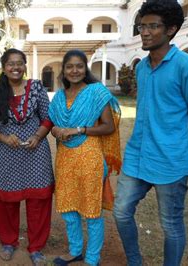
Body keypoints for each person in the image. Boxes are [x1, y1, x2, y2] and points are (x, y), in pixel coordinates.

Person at [113, 1, 188, 266]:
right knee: (121, 212)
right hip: (137, 156)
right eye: (141, 26)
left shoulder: (187, 67)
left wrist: (174, 141)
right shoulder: (141, 67)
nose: (144, 32)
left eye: (152, 26)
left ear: (170, 29)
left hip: (170, 162)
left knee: (170, 224)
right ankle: (135, 262)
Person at [0, 48, 54, 266]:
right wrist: (3, 138)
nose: (15, 67)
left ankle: (36, 247)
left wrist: (37, 136)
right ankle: (8, 242)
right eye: (11, 64)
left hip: (36, 151)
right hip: (8, 153)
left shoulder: (37, 87)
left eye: (19, 63)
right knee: (7, 201)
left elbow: (48, 117)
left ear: (24, 66)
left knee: (39, 201)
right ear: (4, 68)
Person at [48, 49, 121, 266]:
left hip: (90, 157)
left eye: (79, 66)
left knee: (91, 209)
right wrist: (56, 131)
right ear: (64, 70)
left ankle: (92, 258)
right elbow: (52, 124)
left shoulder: (96, 92)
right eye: (69, 66)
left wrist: (78, 129)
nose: (74, 70)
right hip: (65, 158)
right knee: (68, 208)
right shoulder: (59, 96)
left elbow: (108, 126)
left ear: (85, 68)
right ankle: (76, 251)